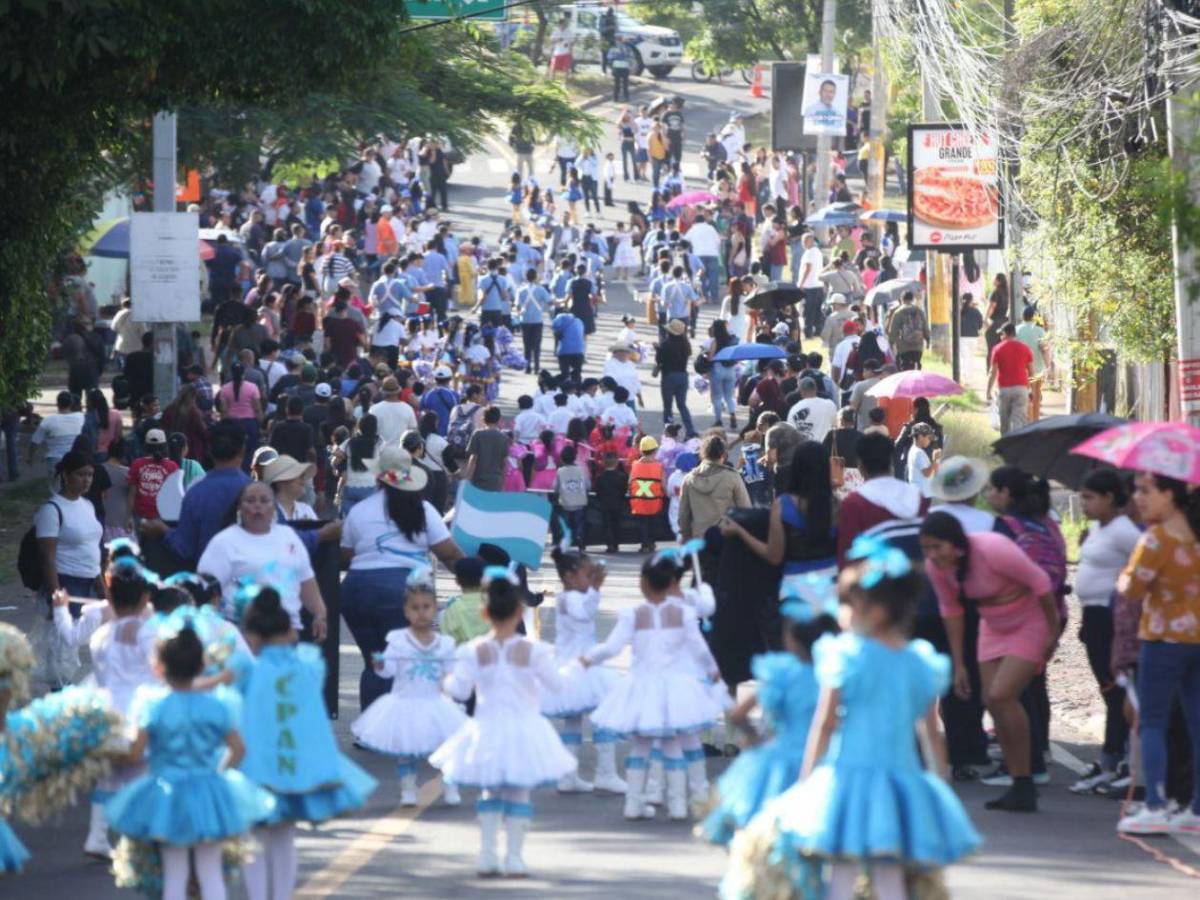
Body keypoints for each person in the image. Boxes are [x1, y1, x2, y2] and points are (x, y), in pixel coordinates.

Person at [725, 541, 981, 900]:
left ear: (871, 610)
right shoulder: (920, 663)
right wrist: (939, 781)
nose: (841, 612)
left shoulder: (845, 656)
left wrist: (807, 779)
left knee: (842, 869)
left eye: (846, 603)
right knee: (890, 871)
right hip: (901, 780)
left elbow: (826, 724)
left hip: (846, 777)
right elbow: (930, 730)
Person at [103, 626, 274, 900]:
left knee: (175, 872)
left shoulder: (153, 706)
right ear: (201, 666)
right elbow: (238, 749)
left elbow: (135, 753)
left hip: (166, 795)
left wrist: (106, 753)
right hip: (208, 790)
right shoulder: (217, 707)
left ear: (159, 668)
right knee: (210, 870)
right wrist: (218, 774)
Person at [430, 566, 576, 877]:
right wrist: (571, 668)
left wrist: (444, 678)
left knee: (490, 791)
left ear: (485, 613)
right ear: (520, 611)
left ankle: (486, 854)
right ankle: (514, 857)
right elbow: (557, 686)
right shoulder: (533, 651)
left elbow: (459, 691)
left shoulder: (474, 651)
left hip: (486, 728)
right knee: (518, 792)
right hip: (524, 728)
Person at [236, 587, 377, 900]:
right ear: (289, 632)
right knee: (284, 837)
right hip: (296, 764)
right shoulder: (309, 664)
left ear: (251, 636)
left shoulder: (246, 671)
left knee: (254, 837)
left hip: (256, 766)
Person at [920, 511, 1058, 812]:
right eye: (926, 548)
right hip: (991, 626)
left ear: (955, 543)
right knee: (990, 700)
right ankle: (1018, 780)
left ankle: (1028, 775)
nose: (933, 555)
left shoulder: (991, 548)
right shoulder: (936, 567)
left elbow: (1042, 583)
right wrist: (959, 664)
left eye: (937, 547)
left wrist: (1053, 631)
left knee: (1002, 694)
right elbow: (952, 611)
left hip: (1028, 620)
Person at [582, 553, 724, 821]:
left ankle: (634, 804)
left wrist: (588, 659)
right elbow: (699, 647)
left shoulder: (633, 614)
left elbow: (611, 648)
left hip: (643, 686)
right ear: (672, 581)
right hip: (676, 687)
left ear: (644, 582)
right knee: (672, 743)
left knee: (642, 746)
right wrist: (713, 670)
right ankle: (679, 805)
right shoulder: (682, 612)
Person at [701, 580, 838, 845]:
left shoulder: (781, 672)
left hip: (779, 758)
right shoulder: (834, 674)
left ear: (791, 638)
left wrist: (755, 742)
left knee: (767, 831)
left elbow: (738, 714)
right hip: (825, 762)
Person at [340, 447, 463, 710]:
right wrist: (474, 580)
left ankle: (369, 729)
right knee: (402, 661)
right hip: (403, 594)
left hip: (357, 592)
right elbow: (448, 553)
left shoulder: (359, 511)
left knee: (376, 661)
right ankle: (391, 730)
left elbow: (345, 556)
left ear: (377, 478)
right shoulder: (423, 510)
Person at [1114, 473, 1200, 834]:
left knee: (1152, 722)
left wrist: (1122, 576)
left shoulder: (1157, 538)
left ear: (1169, 495)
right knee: (1197, 723)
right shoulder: (1194, 536)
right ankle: (1195, 809)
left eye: (1147, 491)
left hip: (1163, 639)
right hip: (1197, 637)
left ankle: (1155, 805)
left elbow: (1132, 589)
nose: (1139, 498)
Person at [350, 572, 465, 806]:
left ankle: (450, 785)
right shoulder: (398, 640)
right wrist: (380, 664)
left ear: (435, 610)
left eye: (426, 607)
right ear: (406, 612)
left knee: (447, 746)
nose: (421, 612)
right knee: (406, 750)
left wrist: (454, 689)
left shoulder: (444, 643)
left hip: (435, 702)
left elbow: (450, 672)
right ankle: (408, 790)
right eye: (415, 608)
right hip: (405, 701)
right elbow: (388, 671)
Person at [1070, 469, 1140, 794]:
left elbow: (1139, 566)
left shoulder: (1125, 530)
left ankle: (1118, 759)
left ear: (1110, 498)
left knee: (1116, 690)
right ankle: (1112, 759)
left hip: (1113, 618)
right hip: (1093, 616)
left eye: (1089, 498)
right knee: (1108, 689)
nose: (1084, 504)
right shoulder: (1100, 527)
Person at [539, 548, 626, 794]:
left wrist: (592, 589)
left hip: (580, 664)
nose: (591, 580)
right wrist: (595, 590)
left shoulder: (574, 595)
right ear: (569, 576)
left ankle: (570, 776)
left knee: (574, 722)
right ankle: (604, 773)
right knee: (603, 713)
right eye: (587, 574)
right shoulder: (569, 598)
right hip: (577, 667)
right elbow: (583, 613)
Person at [198, 480, 327, 639]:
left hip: (287, 632)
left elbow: (306, 582)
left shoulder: (289, 536)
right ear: (240, 507)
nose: (257, 506)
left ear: (274, 507)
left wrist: (319, 614)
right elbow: (207, 591)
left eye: (264, 501)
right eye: (250, 500)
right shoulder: (223, 542)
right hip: (241, 633)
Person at [720, 442, 837, 594]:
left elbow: (774, 556)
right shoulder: (838, 506)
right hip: (832, 585)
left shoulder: (784, 505)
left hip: (795, 588)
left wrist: (741, 532)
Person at [835, 433, 926, 566]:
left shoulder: (854, 503)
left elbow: (847, 557)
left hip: (876, 583)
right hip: (918, 581)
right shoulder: (918, 497)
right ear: (890, 461)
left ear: (860, 464)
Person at [987, 322, 1034, 435]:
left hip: (1004, 390)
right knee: (1019, 421)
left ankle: (1005, 447)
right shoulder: (1025, 348)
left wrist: (988, 391)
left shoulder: (997, 349)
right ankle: (1017, 447)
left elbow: (993, 372)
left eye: (1001, 334)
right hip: (1021, 389)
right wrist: (1032, 390)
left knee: (1005, 423)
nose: (1000, 337)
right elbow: (1032, 372)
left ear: (1005, 334)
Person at [127, 429, 179, 523]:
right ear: (165, 446)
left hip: (140, 516)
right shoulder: (172, 466)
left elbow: (131, 494)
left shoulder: (136, 464)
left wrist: (129, 516)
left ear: (145, 446)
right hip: (162, 517)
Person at [29, 391, 85, 477]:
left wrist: (31, 458)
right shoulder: (81, 417)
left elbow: (35, 442)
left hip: (55, 459)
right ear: (71, 404)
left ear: (57, 404)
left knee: (56, 488)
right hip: (75, 458)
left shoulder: (48, 420)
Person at [656, 319, 696, 437]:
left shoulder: (665, 344)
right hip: (683, 376)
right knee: (682, 405)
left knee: (668, 406)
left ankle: (669, 431)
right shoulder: (686, 345)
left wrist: (658, 350)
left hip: (669, 376)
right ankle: (690, 430)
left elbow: (659, 360)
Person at [628, 436, 668, 553]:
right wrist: (666, 495)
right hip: (655, 502)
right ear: (655, 451)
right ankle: (652, 543)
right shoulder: (659, 466)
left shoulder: (634, 465)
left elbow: (630, 482)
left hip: (639, 502)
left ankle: (644, 544)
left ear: (640, 451)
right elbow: (663, 485)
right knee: (653, 523)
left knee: (642, 524)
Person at [462, 405, 510, 492]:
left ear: (484, 419)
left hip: (479, 480)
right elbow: (505, 463)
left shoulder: (478, 435)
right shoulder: (504, 438)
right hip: (496, 481)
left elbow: (473, 459)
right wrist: (503, 483)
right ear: (499, 420)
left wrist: (467, 479)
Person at [1015, 306, 1050, 421]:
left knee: (1024, 396)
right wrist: (1048, 366)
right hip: (1038, 369)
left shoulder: (1017, 330)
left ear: (1022, 316)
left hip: (1020, 370)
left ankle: (1025, 419)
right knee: (1036, 396)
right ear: (1035, 317)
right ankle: (1035, 421)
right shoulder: (1040, 331)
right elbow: (1044, 350)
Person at [553, 444, 590, 551]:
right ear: (575, 457)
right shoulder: (581, 470)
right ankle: (580, 541)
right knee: (580, 523)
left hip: (565, 503)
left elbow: (555, 487)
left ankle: (566, 542)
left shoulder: (560, 471)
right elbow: (588, 485)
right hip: (580, 502)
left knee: (566, 524)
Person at [785, 378, 837, 445]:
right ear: (815, 388)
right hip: (825, 450)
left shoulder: (794, 409)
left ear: (800, 391)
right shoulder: (830, 405)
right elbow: (835, 426)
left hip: (804, 451)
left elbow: (791, 435)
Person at [594, 452, 629, 553]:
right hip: (618, 504)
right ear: (617, 462)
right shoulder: (622, 477)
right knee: (616, 524)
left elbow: (597, 491)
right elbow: (624, 490)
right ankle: (616, 543)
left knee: (606, 524)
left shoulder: (599, 477)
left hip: (605, 504)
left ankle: (609, 544)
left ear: (603, 463)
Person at [887, 291, 929, 370]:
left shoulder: (898, 312)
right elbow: (925, 327)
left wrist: (891, 342)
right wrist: (928, 340)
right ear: (912, 299)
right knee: (917, 364)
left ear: (902, 299)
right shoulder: (919, 311)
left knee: (906, 368)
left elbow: (893, 330)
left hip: (904, 347)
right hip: (918, 346)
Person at [796, 233, 825, 338]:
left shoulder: (809, 253)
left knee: (807, 311)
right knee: (817, 310)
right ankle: (818, 331)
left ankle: (808, 333)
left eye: (805, 241)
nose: (803, 244)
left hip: (809, 285)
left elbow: (808, 268)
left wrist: (801, 283)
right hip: (818, 285)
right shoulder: (818, 252)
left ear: (810, 241)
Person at [904, 423, 940, 497]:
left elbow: (931, 471)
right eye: (928, 438)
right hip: (922, 495)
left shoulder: (914, 450)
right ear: (920, 437)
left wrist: (935, 464)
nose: (930, 441)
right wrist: (934, 459)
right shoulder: (918, 453)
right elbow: (927, 473)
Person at [984, 272, 1010, 363]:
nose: (993, 280)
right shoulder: (1007, 293)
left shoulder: (996, 292)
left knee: (991, 348)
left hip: (995, 322)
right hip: (1005, 323)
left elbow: (992, 307)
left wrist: (986, 318)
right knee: (1002, 348)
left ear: (998, 281)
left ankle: (990, 370)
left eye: (994, 279)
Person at [960, 292, 984, 382]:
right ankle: (970, 376)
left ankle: (965, 375)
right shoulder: (976, 311)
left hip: (962, 336)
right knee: (971, 357)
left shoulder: (960, 311)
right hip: (973, 337)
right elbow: (980, 324)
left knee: (964, 357)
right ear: (971, 300)